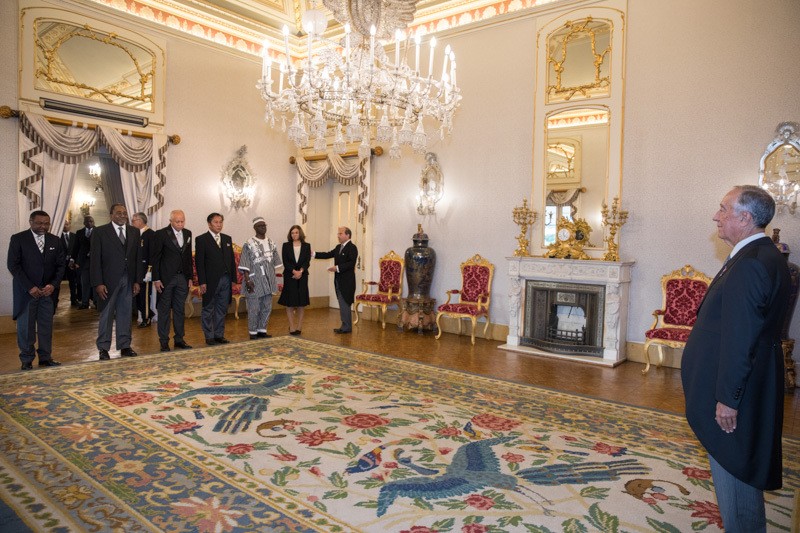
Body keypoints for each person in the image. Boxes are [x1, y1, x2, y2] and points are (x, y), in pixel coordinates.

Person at [681, 185, 790, 532]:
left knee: (735, 464)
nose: (716, 215)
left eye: (724, 209)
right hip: (744, 384)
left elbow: (740, 338)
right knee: (735, 463)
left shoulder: (753, 263)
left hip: (734, 395)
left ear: (744, 218)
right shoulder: (758, 255)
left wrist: (728, 399)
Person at [7, 210, 65, 370]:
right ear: (31, 222)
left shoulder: (55, 240)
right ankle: (26, 360)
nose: (43, 226)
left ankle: (45, 358)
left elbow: (61, 266)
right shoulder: (18, 239)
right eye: (39, 223)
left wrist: (52, 285)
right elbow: (13, 265)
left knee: (46, 327)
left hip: (48, 293)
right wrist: (29, 287)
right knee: (26, 328)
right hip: (27, 293)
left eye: (46, 223)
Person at [89, 203, 142, 361]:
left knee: (125, 313)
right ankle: (103, 348)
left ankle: (125, 345)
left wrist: (137, 280)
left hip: (128, 279)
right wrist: (98, 282)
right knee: (106, 315)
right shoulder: (100, 232)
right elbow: (95, 260)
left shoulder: (134, 231)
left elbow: (138, 258)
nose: (122, 215)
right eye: (118, 213)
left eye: (125, 213)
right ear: (111, 214)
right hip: (107, 281)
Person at [151, 209, 193, 352]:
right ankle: (164, 341)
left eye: (182, 221)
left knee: (179, 310)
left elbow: (188, 258)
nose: (180, 224)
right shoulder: (161, 234)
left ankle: (179, 339)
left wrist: (190, 277)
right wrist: (156, 278)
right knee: (164, 311)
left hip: (182, 278)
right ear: (171, 221)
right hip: (166, 279)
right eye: (177, 221)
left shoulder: (188, 234)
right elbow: (155, 258)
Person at [195, 212, 236, 345]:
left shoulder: (227, 238)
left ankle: (219, 334)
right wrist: (202, 282)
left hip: (226, 279)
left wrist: (233, 279)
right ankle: (209, 336)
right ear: (209, 224)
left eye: (220, 222)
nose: (219, 225)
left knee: (222, 308)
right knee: (208, 308)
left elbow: (231, 262)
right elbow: (199, 263)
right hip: (210, 281)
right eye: (216, 222)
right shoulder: (201, 239)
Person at [239, 217, 282, 339]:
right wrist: (247, 280)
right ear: (254, 228)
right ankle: (253, 332)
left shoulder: (271, 243)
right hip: (254, 280)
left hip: (269, 281)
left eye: (264, 225)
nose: (263, 227)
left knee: (266, 306)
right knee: (254, 308)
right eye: (260, 226)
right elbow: (245, 263)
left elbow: (276, 263)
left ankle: (262, 330)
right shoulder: (249, 244)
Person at [313, 226, 358, 334]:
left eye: (340, 233)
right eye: (338, 234)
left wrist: (337, 268)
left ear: (348, 235)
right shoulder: (338, 247)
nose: (338, 236)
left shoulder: (352, 247)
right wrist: (313, 254)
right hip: (338, 281)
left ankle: (347, 327)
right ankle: (344, 326)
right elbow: (328, 254)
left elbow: (351, 263)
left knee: (345, 303)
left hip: (347, 282)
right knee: (342, 303)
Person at [278, 224, 311, 335]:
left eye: (296, 232)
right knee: (290, 302)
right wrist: (294, 271)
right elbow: (285, 261)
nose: (294, 234)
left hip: (302, 276)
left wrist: (300, 272)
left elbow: (307, 261)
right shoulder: (286, 245)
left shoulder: (307, 246)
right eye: (292, 233)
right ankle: (292, 327)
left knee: (301, 302)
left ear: (300, 233)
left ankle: (299, 327)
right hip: (289, 275)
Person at [131, 212, 155, 327]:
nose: (132, 223)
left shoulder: (150, 234)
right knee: (136, 295)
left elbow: (152, 254)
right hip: (135, 270)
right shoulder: (134, 234)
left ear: (140, 221)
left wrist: (149, 271)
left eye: (133, 220)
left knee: (144, 296)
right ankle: (149, 313)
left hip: (145, 270)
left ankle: (146, 318)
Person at [71, 215, 94, 309]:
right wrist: (73, 260)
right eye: (87, 221)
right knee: (84, 283)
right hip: (83, 262)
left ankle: (96, 302)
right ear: (84, 223)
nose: (90, 223)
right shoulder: (79, 232)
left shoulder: (99, 231)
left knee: (96, 282)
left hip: (95, 262)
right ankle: (85, 303)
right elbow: (75, 247)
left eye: (91, 221)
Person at [60, 219, 79, 307]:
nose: (65, 226)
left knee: (73, 282)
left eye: (67, 224)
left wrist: (74, 260)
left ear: (69, 225)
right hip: (61, 263)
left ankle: (74, 300)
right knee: (57, 283)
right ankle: (55, 301)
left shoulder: (75, 236)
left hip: (72, 263)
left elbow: (77, 250)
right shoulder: (57, 236)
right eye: (63, 224)